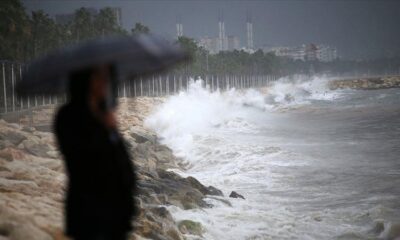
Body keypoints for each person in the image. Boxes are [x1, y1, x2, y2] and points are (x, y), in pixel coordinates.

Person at [54, 65, 138, 240]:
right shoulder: (68, 115)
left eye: (106, 78)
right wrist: (105, 126)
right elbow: (81, 158)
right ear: (85, 80)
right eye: (99, 77)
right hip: (89, 210)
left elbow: (120, 158)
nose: (105, 83)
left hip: (117, 211)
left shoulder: (104, 112)